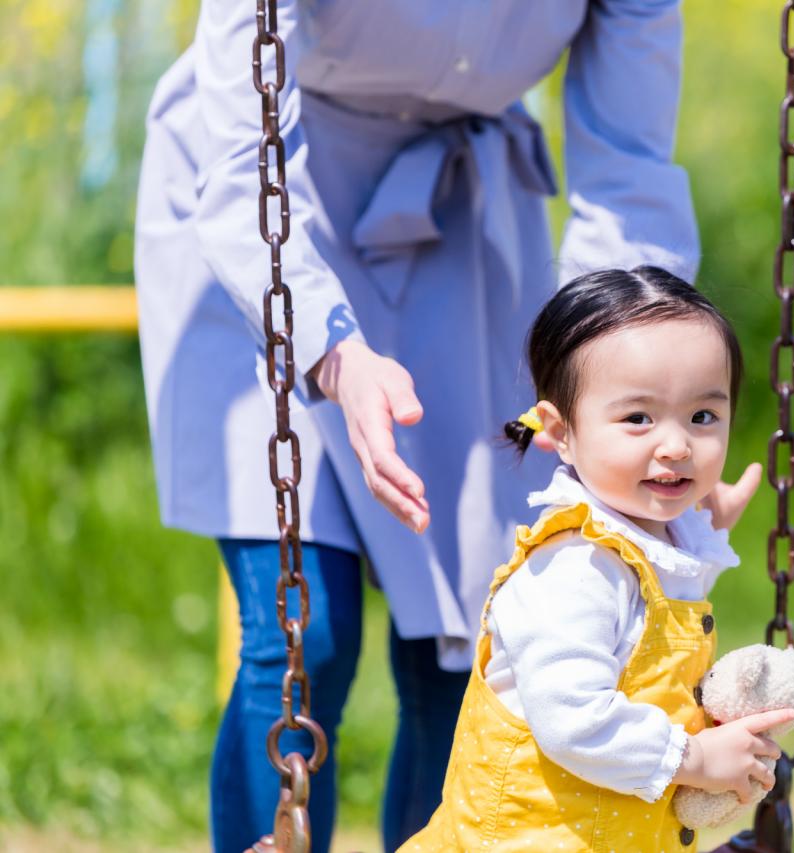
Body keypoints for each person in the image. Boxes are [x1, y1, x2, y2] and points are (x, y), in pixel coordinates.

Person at [133, 2, 762, 850]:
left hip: (459, 222)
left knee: (461, 638)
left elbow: (629, 174)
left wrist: (640, 423)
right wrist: (335, 354)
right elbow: (246, 161)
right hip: (258, 206)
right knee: (305, 632)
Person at [400, 267, 792, 853]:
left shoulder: (645, 543)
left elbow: (652, 629)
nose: (677, 444)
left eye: (703, 416)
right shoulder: (573, 568)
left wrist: (703, 530)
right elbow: (573, 719)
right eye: (638, 418)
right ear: (561, 432)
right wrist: (695, 756)